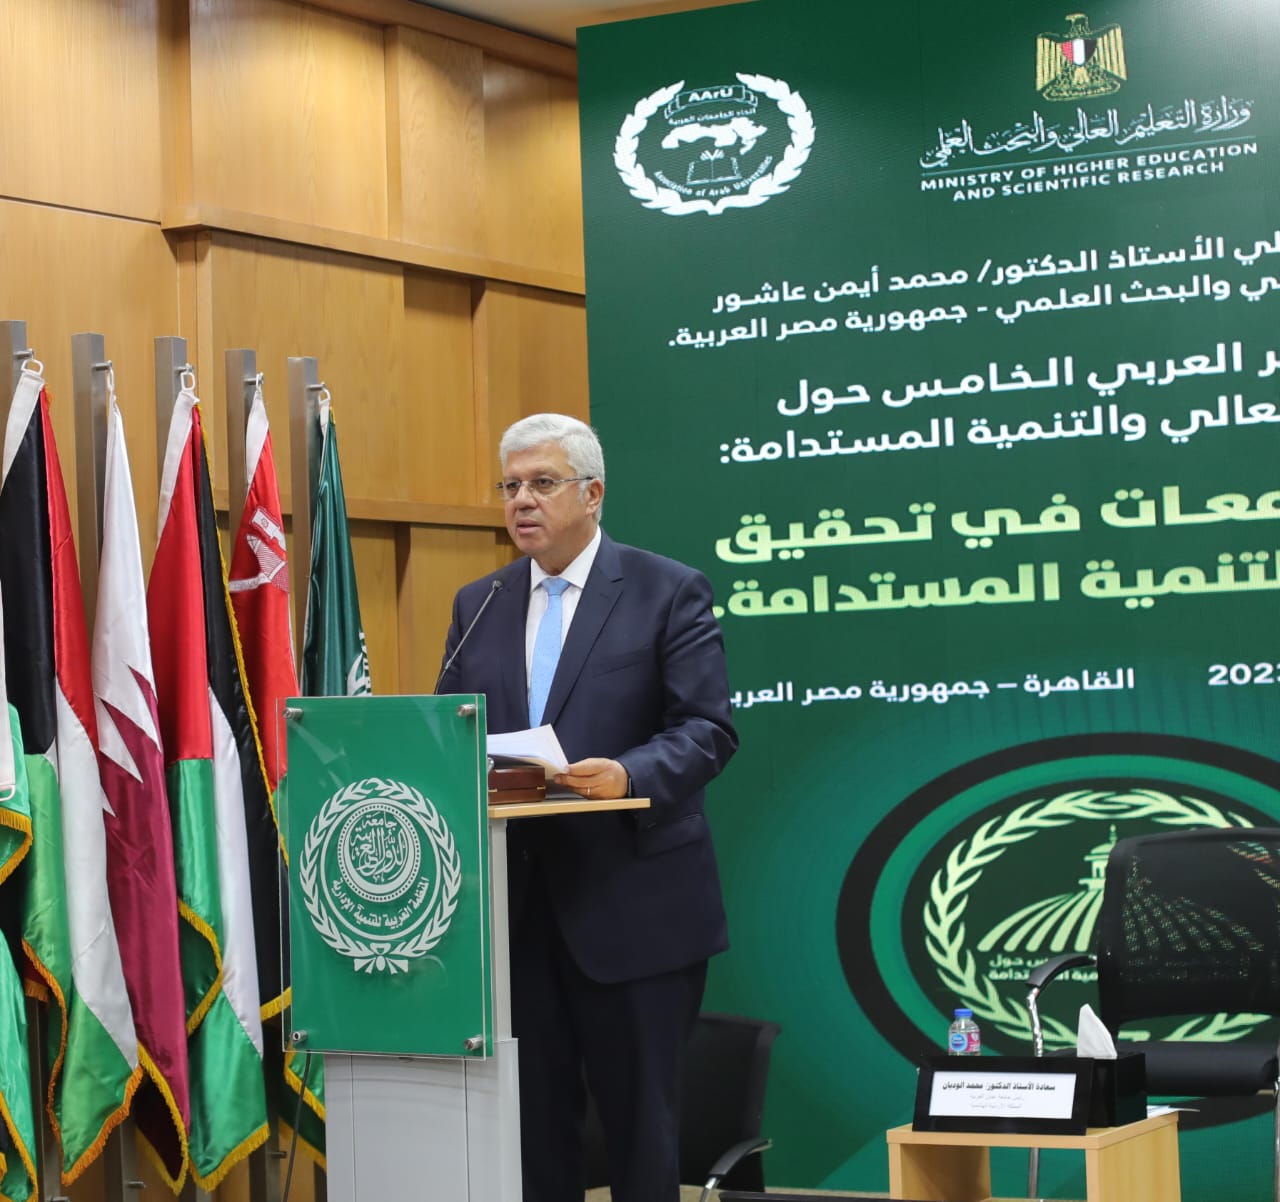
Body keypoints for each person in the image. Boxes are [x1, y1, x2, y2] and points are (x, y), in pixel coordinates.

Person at [437, 413, 738, 1202]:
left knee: (640, 1140)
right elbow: (448, 733)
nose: (521, 500)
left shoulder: (666, 590)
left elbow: (708, 730)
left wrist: (629, 773)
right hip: (515, 919)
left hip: (633, 909)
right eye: (510, 485)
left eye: (542, 483)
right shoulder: (479, 603)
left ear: (593, 493)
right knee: (532, 1140)